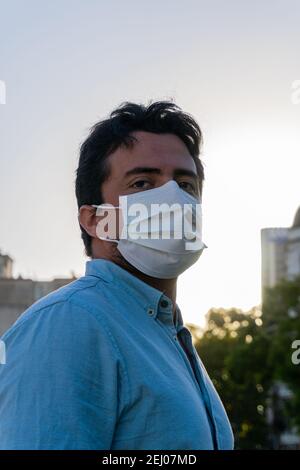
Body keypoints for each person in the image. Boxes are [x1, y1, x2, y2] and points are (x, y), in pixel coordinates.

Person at [0, 101, 234, 450]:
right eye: (143, 182)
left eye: (186, 185)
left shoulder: (166, 333)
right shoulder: (69, 324)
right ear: (94, 219)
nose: (172, 198)